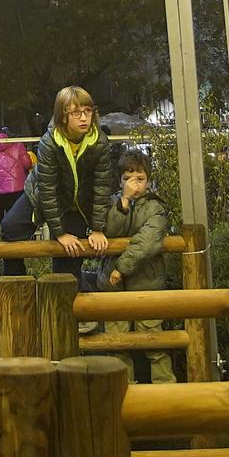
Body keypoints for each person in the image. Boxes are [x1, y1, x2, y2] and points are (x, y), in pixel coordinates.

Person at [0, 86, 116, 277]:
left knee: (68, 260)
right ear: (63, 116)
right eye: (76, 112)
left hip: (77, 202)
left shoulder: (99, 142)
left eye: (88, 111)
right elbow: (47, 189)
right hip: (44, 193)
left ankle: (69, 299)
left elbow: (102, 186)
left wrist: (97, 229)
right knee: (11, 227)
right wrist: (59, 233)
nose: (84, 118)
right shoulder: (50, 142)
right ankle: (18, 285)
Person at [98, 149, 176, 384]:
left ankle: (167, 394)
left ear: (148, 180)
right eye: (128, 179)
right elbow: (109, 231)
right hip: (112, 288)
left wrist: (121, 267)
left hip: (146, 283)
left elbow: (148, 241)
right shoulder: (111, 203)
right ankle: (123, 393)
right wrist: (124, 202)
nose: (134, 184)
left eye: (140, 179)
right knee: (116, 345)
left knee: (155, 344)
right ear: (119, 181)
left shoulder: (156, 207)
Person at [0, 131, 33, 223]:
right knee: (20, 213)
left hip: (2, 191)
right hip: (20, 187)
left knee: (8, 214)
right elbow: (27, 164)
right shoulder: (19, 146)